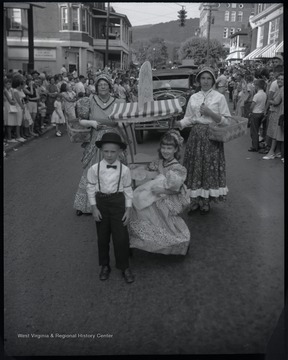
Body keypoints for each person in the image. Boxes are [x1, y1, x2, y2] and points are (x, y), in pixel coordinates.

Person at [175, 66, 231, 214]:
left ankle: (205, 202)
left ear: (213, 80)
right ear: (198, 80)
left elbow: (227, 121)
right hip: (196, 135)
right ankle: (194, 201)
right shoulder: (194, 97)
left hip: (212, 137)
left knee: (208, 168)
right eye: (203, 78)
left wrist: (210, 113)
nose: (205, 81)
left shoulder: (219, 97)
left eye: (209, 78)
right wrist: (179, 124)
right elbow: (190, 118)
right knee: (194, 167)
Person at [73, 73, 128, 216]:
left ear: (110, 86)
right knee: (92, 170)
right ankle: (85, 205)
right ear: (96, 87)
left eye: (105, 84)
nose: (103, 86)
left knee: (115, 169)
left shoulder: (119, 102)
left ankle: (114, 201)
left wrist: (123, 124)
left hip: (114, 138)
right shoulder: (89, 100)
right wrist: (91, 123)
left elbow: (121, 122)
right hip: (96, 139)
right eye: (100, 84)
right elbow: (80, 120)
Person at [129, 130, 190, 255]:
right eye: (163, 147)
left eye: (169, 148)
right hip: (155, 195)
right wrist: (136, 169)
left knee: (166, 221)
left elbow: (177, 190)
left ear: (175, 150)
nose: (166, 151)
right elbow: (149, 171)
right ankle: (150, 239)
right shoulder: (159, 162)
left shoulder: (177, 168)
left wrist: (161, 190)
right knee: (142, 209)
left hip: (167, 198)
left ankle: (177, 242)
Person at [86, 132, 134, 284]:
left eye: (113, 151)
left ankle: (124, 266)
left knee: (121, 238)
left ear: (119, 151)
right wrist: (94, 208)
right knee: (103, 237)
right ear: (101, 151)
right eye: (106, 151)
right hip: (101, 203)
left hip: (118, 202)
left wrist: (128, 209)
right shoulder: (94, 169)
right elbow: (90, 187)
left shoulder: (125, 170)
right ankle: (104, 265)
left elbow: (128, 189)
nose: (109, 155)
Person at [263, 73, 284, 160]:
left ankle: (271, 152)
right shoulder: (280, 89)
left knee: (275, 133)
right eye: (278, 78)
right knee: (278, 133)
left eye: (282, 79)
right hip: (279, 113)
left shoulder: (281, 89)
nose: (279, 80)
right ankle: (277, 151)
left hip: (278, 114)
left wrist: (269, 100)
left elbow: (276, 102)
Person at [248, 79, 267, 152]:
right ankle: (258, 144)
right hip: (261, 113)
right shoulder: (264, 94)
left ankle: (255, 146)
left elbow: (252, 106)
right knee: (258, 130)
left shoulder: (256, 95)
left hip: (255, 113)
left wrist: (250, 112)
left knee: (254, 131)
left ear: (257, 86)